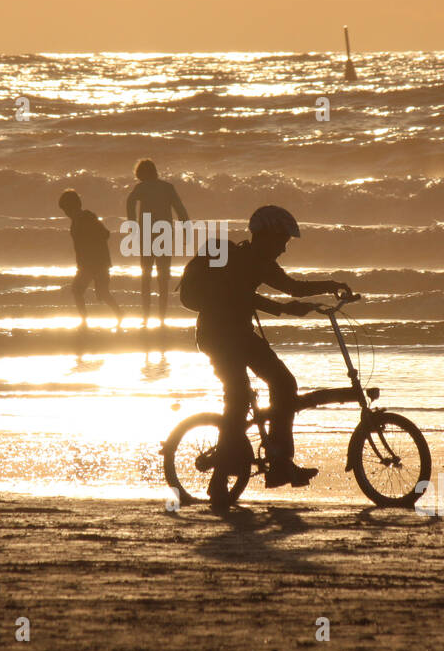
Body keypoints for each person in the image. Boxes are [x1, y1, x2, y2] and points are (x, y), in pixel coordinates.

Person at [190, 205, 351, 510]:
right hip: (217, 337)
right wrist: (284, 309)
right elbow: (242, 297)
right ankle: (219, 479)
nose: (284, 248)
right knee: (237, 400)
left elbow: (293, 287)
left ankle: (280, 461)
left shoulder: (262, 263)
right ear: (266, 236)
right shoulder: (237, 260)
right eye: (282, 240)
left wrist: (331, 285)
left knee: (284, 383)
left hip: (241, 335)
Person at [125, 159, 189, 328]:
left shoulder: (141, 187)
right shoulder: (167, 187)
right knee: (163, 277)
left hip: (147, 234)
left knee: (146, 276)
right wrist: (186, 231)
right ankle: (161, 317)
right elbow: (180, 209)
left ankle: (146, 317)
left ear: (142, 173)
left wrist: (132, 224)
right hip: (165, 234)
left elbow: (129, 202)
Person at [58, 189, 123, 329]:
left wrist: (92, 244)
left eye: (66, 210)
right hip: (90, 262)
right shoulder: (77, 220)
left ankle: (109, 316)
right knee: (93, 291)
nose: (66, 213)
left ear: (74, 206)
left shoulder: (86, 217)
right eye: (64, 211)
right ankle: (92, 319)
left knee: (87, 291)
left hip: (95, 262)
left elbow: (105, 234)